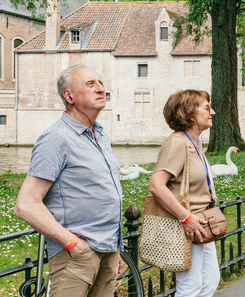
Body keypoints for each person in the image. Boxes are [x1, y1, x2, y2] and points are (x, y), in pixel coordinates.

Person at [14, 65, 123, 297]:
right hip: (77, 254)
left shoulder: (101, 136)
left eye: (101, 83)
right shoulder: (56, 138)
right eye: (90, 84)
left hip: (108, 249)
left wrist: (115, 248)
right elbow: (26, 204)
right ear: (69, 96)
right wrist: (73, 244)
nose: (101, 89)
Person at [148, 90, 221, 297]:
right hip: (188, 226)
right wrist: (185, 218)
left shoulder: (195, 142)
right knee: (190, 287)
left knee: (209, 281)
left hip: (202, 223)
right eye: (206, 108)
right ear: (189, 113)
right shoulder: (178, 143)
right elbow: (156, 185)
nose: (212, 112)